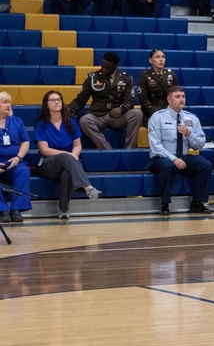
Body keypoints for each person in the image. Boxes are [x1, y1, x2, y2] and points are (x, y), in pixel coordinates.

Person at [33, 90, 102, 219]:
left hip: (68, 162)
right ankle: (88, 187)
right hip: (47, 163)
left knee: (67, 173)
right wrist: (68, 154)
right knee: (66, 157)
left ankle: (63, 210)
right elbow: (44, 150)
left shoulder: (70, 122)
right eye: (52, 100)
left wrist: (74, 155)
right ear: (46, 105)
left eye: (58, 99)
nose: (56, 102)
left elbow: (77, 145)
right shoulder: (41, 125)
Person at [146, 87, 213, 215]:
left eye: (183, 96)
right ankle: (164, 204)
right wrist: (174, 158)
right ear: (169, 99)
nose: (181, 99)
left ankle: (198, 203)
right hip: (162, 157)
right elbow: (155, 145)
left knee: (205, 165)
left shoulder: (191, 118)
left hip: (184, 156)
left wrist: (189, 134)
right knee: (167, 166)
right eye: (177, 97)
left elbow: (200, 145)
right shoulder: (157, 117)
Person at [66, 52, 142, 149]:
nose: (104, 69)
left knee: (137, 114)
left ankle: (130, 150)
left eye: (107, 67)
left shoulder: (126, 78)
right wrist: (71, 109)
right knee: (84, 121)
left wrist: (121, 109)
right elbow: (81, 98)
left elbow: (130, 101)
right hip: (97, 115)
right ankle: (107, 149)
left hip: (117, 116)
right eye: (102, 66)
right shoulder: (93, 77)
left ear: (115, 66)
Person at [0, 91, 31, 223]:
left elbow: (25, 142)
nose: (8, 105)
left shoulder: (17, 121)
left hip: (14, 161)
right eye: (4, 102)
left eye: (9, 102)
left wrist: (18, 157)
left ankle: (16, 209)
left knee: (23, 171)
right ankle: (2, 210)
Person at [137, 49, 179, 125]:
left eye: (163, 57)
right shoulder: (144, 76)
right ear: (150, 60)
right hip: (151, 113)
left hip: (169, 111)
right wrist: (156, 112)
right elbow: (143, 98)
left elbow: (177, 93)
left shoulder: (170, 75)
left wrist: (170, 111)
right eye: (157, 57)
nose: (161, 60)